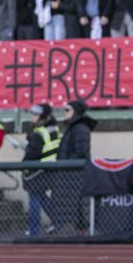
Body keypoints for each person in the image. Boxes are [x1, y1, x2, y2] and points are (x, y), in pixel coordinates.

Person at [56, 99, 97, 233]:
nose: (64, 112)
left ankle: (83, 231)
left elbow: (81, 151)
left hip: (76, 172)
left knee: (79, 204)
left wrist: (66, 162)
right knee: (75, 204)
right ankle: (80, 230)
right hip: (72, 172)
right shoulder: (74, 127)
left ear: (76, 112)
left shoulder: (80, 128)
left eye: (67, 110)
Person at [23, 103, 61, 236]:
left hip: (38, 170)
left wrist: (24, 165)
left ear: (42, 116)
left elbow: (32, 154)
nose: (32, 116)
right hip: (49, 168)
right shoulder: (53, 128)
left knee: (34, 198)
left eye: (35, 114)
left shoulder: (39, 133)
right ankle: (58, 220)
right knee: (42, 197)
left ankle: (34, 231)